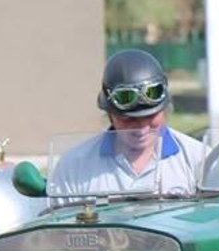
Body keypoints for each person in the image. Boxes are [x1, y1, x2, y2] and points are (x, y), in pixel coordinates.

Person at [47, 49, 207, 197]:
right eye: (129, 118)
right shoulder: (75, 166)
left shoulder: (198, 159)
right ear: (110, 114)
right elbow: (60, 225)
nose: (142, 126)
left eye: (151, 115)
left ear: (164, 109)